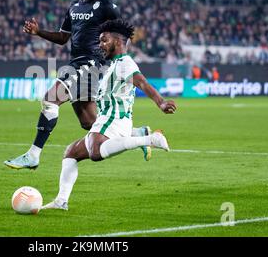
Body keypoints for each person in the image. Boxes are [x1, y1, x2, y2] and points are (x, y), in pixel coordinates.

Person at [4, 0, 152, 170]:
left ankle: (33, 155)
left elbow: (122, 35)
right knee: (90, 123)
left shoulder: (107, 6)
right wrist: (39, 32)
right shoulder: (74, 6)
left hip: (91, 65)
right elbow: (63, 37)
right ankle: (138, 134)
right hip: (76, 63)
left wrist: (115, 62)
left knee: (50, 98)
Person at [42, 19, 177, 210]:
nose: (100, 45)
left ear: (118, 41)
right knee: (71, 153)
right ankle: (61, 201)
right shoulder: (113, 65)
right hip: (107, 120)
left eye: (104, 40)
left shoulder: (124, 63)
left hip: (114, 120)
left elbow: (142, 83)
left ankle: (150, 139)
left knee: (96, 152)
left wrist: (161, 102)